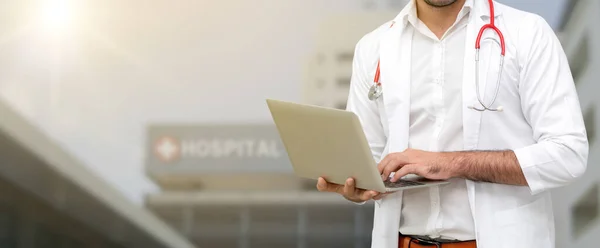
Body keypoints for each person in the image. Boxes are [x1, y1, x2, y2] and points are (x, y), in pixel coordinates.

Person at [315, 0, 589, 247]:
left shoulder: (527, 33)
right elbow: (370, 159)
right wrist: (357, 185)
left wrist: (451, 163)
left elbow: (568, 154)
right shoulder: (373, 47)